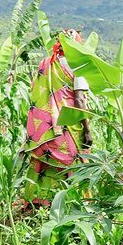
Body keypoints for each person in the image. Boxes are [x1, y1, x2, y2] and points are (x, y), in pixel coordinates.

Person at [22, 30, 92, 204]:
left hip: (44, 125)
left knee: (45, 163)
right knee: (74, 162)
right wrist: (87, 130)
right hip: (69, 124)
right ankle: (74, 202)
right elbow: (79, 100)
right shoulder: (78, 66)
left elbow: (36, 92)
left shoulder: (46, 63)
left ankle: (38, 200)